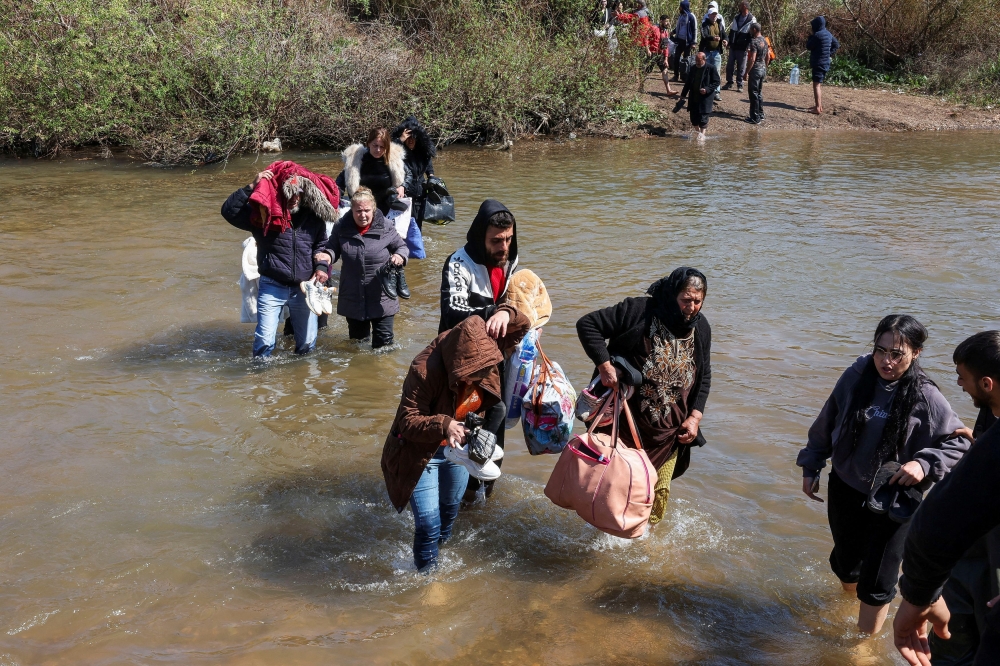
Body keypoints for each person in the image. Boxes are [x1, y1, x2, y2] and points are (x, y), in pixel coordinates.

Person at [796, 315, 970, 635]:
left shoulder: (925, 395)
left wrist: (924, 463)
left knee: (877, 581)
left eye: (896, 354)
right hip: (846, 486)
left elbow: (960, 440)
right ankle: (853, 606)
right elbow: (829, 416)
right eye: (880, 350)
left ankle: (863, 645)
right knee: (846, 566)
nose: (886, 361)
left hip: (893, 498)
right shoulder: (858, 373)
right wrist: (812, 463)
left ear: (916, 353)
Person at [380, 308, 530, 571]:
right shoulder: (425, 369)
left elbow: (522, 327)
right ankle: (426, 579)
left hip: (457, 450)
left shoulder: (486, 349)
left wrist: (506, 313)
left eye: (485, 370)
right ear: (457, 365)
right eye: (472, 374)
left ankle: (435, 555)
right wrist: (445, 424)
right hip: (421, 452)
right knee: (428, 523)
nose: (480, 378)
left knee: (449, 510)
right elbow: (407, 421)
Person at [893, 331, 1000, 666]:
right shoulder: (989, 416)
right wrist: (979, 439)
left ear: (987, 384)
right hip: (964, 560)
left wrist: (916, 595)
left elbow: (935, 526)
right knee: (952, 640)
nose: (957, 383)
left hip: (987, 559)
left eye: (962, 377)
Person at [576, 267, 712, 525]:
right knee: (614, 493)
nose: (691, 307)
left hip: (669, 434)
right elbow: (588, 325)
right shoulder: (639, 311)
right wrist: (605, 367)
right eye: (686, 300)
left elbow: (703, 376)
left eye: (698, 301)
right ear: (672, 295)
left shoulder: (701, 328)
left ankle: (639, 548)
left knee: (655, 498)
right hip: (627, 426)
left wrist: (694, 417)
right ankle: (603, 543)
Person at [439, 199, 520, 502]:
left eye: (509, 239)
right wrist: (495, 312)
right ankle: (457, 496)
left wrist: (512, 313)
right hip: (460, 362)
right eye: (496, 241)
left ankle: (483, 491)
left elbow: (518, 295)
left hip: (496, 358)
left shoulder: (510, 258)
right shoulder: (458, 262)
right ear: (480, 238)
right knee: (463, 424)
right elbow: (452, 310)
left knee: (497, 417)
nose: (504, 247)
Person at [221, 163, 337, 358]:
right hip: (272, 284)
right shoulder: (264, 216)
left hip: (304, 287)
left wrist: (321, 267)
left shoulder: (313, 218)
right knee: (265, 341)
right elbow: (229, 211)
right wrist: (251, 186)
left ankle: (302, 380)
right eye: (288, 194)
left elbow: (321, 245)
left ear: (304, 193)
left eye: (297, 193)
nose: (293, 199)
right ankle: (261, 379)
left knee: (307, 343)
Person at [320, 187, 408, 349]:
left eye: (367, 210)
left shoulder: (386, 226)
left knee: (384, 346)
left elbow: (402, 247)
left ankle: (382, 374)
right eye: (358, 211)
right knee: (357, 346)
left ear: (373, 210)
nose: (362, 215)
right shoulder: (342, 227)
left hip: (382, 295)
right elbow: (332, 249)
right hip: (353, 296)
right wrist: (326, 257)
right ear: (351, 210)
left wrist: (400, 256)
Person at [337, 127, 405, 215]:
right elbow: (339, 182)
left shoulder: (393, 159)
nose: (378, 150)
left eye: (382, 147)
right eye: (375, 145)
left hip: (386, 209)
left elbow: (409, 175)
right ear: (369, 143)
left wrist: (403, 186)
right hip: (361, 210)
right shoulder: (356, 160)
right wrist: (336, 198)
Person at [391, 117, 436, 230]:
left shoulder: (423, 152)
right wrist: (399, 140)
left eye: (414, 137)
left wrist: (431, 177)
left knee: (417, 226)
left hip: (419, 193)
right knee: (401, 226)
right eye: (408, 137)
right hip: (403, 193)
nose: (411, 140)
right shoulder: (398, 151)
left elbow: (429, 167)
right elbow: (387, 154)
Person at [678, 51, 720, 139]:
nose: (697, 62)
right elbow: (688, 83)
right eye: (696, 60)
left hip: (705, 98)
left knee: (703, 118)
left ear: (704, 59)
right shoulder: (693, 68)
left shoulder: (711, 68)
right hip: (694, 96)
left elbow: (717, 82)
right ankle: (698, 133)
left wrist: (707, 89)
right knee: (693, 118)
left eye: (699, 60)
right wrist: (683, 94)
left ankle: (702, 135)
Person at [806, 16, 840, 114]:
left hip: (818, 63)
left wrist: (810, 37)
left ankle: (817, 108)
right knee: (819, 84)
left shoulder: (817, 35)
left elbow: (808, 46)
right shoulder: (828, 34)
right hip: (825, 62)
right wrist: (829, 54)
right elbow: (836, 44)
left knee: (816, 85)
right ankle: (819, 106)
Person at [723, 1, 757, 92]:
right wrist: (729, 43)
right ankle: (729, 82)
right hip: (734, 46)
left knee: (741, 66)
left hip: (743, 46)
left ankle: (740, 84)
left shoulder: (752, 19)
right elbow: (732, 31)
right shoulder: (736, 18)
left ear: (745, 7)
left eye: (740, 6)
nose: (739, 7)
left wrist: (749, 46)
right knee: (730, 65)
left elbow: (753, 34)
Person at [699, 3, 727, 101]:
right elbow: (704, 35)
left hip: (716, 52)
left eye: (716, 14)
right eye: (713, 14)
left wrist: (725, 40)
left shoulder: (719, 24)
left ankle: (716, 92)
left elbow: (724, 34)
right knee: (705, 71)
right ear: (709, 15)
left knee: (717, 72)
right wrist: (713, 38)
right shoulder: (704, 24)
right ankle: (705, 90)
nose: (715, 16)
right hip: (706, 52)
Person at [744, 23, 771, 124]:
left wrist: (746, 72)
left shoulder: (754, 41)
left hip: (755, 70)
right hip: (762, 68)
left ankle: (755, 118)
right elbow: (768, 56)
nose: (750, 31)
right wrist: (765, 66)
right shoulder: (765, 40)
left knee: (753, 94)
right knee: (759, 92)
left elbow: (752, 59)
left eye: (751, 29)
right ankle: (760, 114)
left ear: (754, 29)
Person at [670, 0, 697, 82]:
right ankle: (675, 75)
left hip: (687, 42)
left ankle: (684, 76)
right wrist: (673, 32)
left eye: (680, 7)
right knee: (676, 57)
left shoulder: (691, 16)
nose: (679, 8)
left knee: (686, 59)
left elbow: (694, 29)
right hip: (679, 40)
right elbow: (678, 26)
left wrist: (693, 42)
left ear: (684, 7)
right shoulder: (681, 16)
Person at [656, 15, 679, 96]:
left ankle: (668, 90)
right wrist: (647, 49)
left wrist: (666, 59)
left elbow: (665, 47)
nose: (667, 23)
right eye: (666, 21)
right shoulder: (654, 28)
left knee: (665, 70)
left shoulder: (665, 33)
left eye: (668, 21)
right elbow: (646, 38)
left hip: (660, 54)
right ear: (661, 21)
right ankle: (640, 86)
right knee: (645, 70)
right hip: (651, 53)